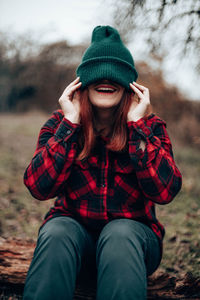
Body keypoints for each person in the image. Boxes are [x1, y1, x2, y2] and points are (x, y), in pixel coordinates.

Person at [23, 25, 182, 300]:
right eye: (97, 73)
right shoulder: (60, 124)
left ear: (130, 85)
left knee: (119, 233)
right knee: (58, 229)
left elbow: (165, 192)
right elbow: (38, 188)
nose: (106, 79)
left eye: (115, 74)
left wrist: (137, 128)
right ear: (82, 82)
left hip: (134, 243)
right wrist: (69, 125)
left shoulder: (150, 128)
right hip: (74, 243)